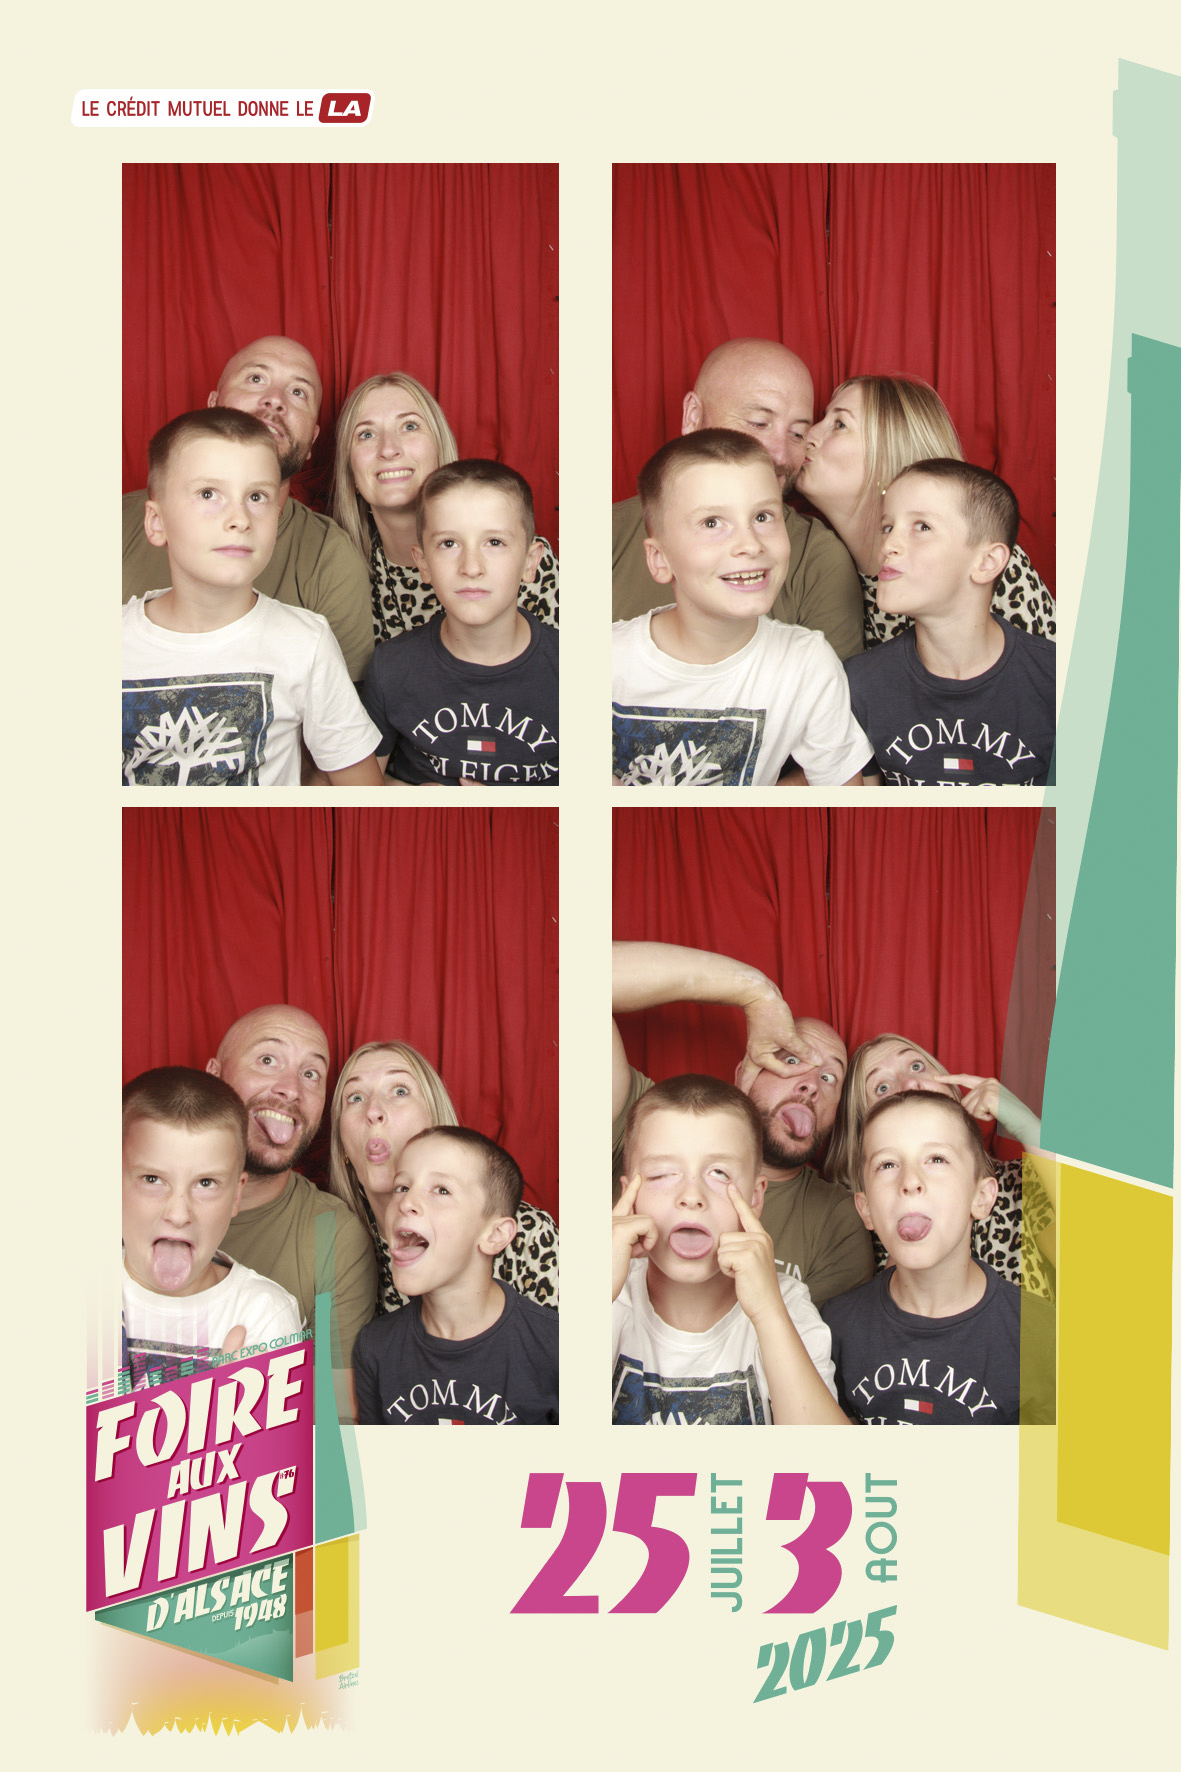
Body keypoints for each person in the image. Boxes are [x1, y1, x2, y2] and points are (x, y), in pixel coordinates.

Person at [122, 409, 384, 788]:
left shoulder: (306, 641)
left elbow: (363, 793)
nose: (240, 518)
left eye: (257, 496)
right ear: (156, 522)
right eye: (208, 494)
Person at [612, 942, 873, 1309]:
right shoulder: (652, 1121)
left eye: (830, 1077)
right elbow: (587, 975)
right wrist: (755, 992)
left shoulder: (837, 1219)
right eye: (791, 1059)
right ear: (745, 1075)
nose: (811, 1085)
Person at [612, 432, 871, 788]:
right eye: (712, 523)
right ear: (659, 559)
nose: (750, 544)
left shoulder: (806, 663)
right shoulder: (604, 659)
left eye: (763, 516)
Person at [123, 335, 374, 682]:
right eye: (256, 378)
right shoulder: (120, 523)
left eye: (298, 392)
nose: (276, 400)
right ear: (213, 405)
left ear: (313, 441)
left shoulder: (329, 559)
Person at [611, 1075, 847, 1425]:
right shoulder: (611, 1292)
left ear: (755, 1198)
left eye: (719, 1173)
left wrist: (768, 1312)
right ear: (628, 1197)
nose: (691, 1196)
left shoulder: (786, 1302)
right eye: (662, 1174)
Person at [612, 339, 864, 661]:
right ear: (693, 416)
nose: (779, 454)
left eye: (797, 434)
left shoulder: (818, 559)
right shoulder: (608, 535)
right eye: (758, 423)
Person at [821, 1091, 1055, 1424]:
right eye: (887, 1164)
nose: (910, 1182)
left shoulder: (1043, 1335)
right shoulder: (834, 1326)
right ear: (866, 1209)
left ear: (982, 1197)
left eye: (936, 1159)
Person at [797, 374, 1056, 649]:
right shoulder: (823, 565)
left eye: (839, 424)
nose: (809, 435)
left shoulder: (979, 560)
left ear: (888, 454)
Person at [206, 1005, 380, 1412]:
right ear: (214, 1075)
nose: (291, 1089)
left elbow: (336, 1425)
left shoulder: (333, 1236)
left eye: (311, 1073)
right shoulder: (125, 1204)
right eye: (268, 1060)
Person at [844, 460, 1056, 786]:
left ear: (987, 562)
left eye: (922, 527)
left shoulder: (1056, 681)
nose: (887, 546)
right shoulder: (857, 684)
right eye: (887, 527)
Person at [361, 460, 558, 785]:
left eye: (494, 542)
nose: (471, 566)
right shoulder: (391, 667)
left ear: (530, 561)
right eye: (449, 544)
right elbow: (358, 786)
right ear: (423, 563)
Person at [326, 1039, 559, 1313]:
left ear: (435, 1122)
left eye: (400, 1091)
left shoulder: (526, 1235)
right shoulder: (331, 1248)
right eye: (355, 1097)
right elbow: (326, 1339)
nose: (373, 1111)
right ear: (343, 1146)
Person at [331, 372, 559, 643]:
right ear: (351, 473)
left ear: (440, 448)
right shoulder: (338, 575)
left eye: (409, 426)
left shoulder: (522, 560)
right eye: (366, 434)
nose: (388, 449)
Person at [825, 1032, 1054, 1301]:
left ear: (954, 1090)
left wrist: (1028, 1126)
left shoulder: (1022, 1183)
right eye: (882, 1088)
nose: (910, 1083)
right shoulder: (857, 1222)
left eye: (916, 1066)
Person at [353, 1128, 559, 1425]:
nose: (406, 1202)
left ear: (495, 1235)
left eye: (441, 1190)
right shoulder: (374, 1347)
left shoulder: (556, 1348)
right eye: (402, 1187)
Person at [122, 1066, 302, 1387]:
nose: (179, 1214)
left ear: (236, 1196)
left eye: (205, 1183)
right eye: (152, 1179)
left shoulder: (265, 1315)